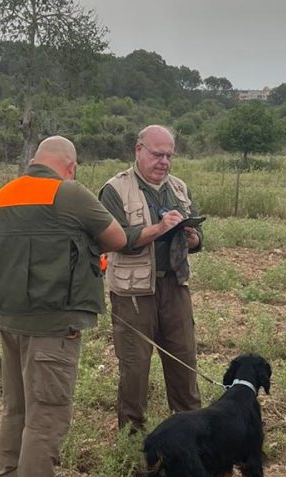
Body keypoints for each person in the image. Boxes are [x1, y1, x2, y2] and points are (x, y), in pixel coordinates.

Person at [0, 136, 126, 477]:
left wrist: (16, 265)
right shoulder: (69, 193)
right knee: (46, 420)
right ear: (70, 166)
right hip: (55, 327)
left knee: (16, 412)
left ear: (35, 159)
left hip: (11, 322)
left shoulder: (4, 194)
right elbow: (117, 238)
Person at [99, 125, 203, 433]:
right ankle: (133, 439)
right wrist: (158, 229)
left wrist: (192, 236)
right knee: (135, 368)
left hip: (174, 285)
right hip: (133, 293)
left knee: (184, 362)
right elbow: (113, 239)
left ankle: (189, 433)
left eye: (169, 155)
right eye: (157, 154)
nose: (164, 162)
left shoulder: (179, 189)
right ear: (138, 150)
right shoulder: (115, 189)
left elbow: (199, 241)